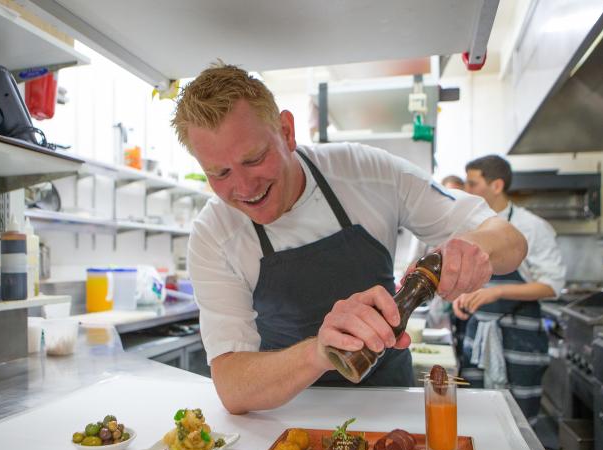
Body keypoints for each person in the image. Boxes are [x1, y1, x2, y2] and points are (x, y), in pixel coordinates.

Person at [172, 63, 527, 414]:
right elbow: (234, 388)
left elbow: (511, 242)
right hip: (285, 418)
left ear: (286, 131)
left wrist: (475, 249)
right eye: (219, 173)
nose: (244, 188)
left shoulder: (367, 173)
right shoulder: (213, 234)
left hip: (389, 404)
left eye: (255, 159)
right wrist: (319, 352)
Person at [454, 155, 565, 422]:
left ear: (497, 185)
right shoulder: (470, 225)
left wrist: (498, 292)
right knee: (476, 415)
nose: (466, 191)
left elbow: (553, 285)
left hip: (520, 339)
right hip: (477, 336)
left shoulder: (532, 226)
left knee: (519, 420)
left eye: (472, 183)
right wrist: (460, 295)